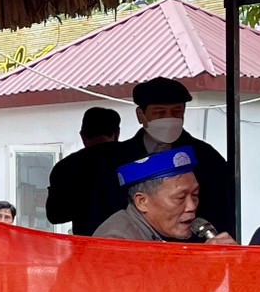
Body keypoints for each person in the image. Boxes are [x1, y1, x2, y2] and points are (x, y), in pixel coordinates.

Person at [97, 78, 235, 235]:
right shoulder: (115, 158)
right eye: (159, 113)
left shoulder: (206, 157)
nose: (168, 119)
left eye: (176, 112)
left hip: (194, 249)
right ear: (141, 115)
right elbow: (103, 208)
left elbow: (223, 211)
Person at [93, 148, 238, 244]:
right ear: (142, 201)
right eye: (180, 198)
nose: (192, 206)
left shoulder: (160, 232)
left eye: (195, 195)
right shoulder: (116, 241)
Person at [45, 107, 122, 236]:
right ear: (117, 134)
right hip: (131, 246)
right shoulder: (134, 159)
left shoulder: (65, 167)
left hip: (87, 246)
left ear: (82, 136)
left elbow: (55, 215)